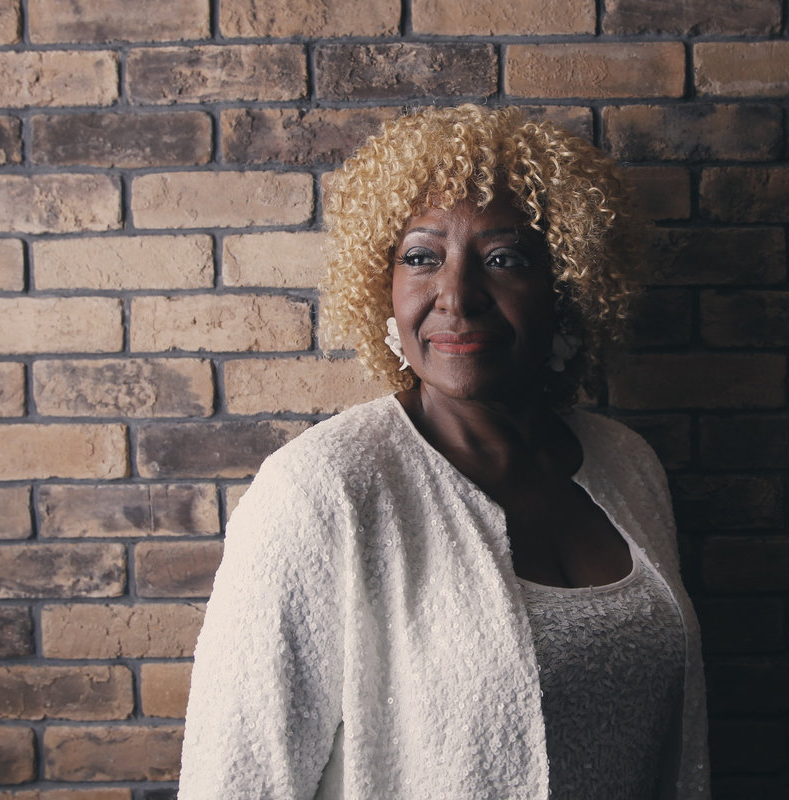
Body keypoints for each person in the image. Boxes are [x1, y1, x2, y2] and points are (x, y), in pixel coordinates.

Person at [178, 104, 710, 799]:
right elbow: (236, 779)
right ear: (383, 284)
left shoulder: (627, 464)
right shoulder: (320, 492)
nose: (457, 295)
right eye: (421, 258)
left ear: (567, 286)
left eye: (504, 260)